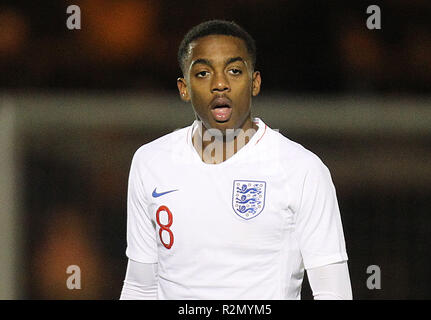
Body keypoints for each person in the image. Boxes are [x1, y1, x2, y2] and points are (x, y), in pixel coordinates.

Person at [120, 20, 352, 300]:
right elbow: (140, 286)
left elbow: (333, 291)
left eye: (234, 71)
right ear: (184, 88)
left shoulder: (301, 169)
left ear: (254, 83)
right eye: (204, 73)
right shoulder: (151, 162)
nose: (220, 84)